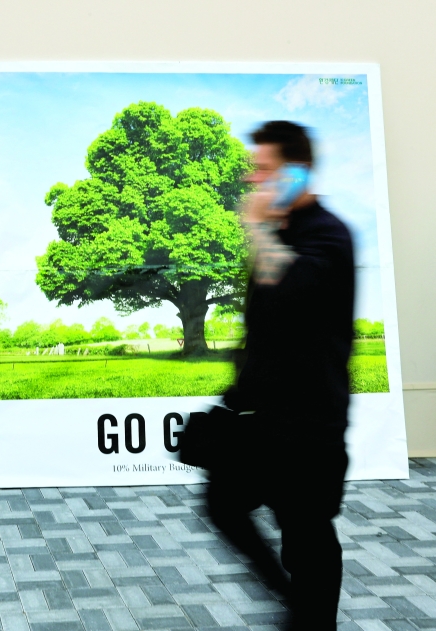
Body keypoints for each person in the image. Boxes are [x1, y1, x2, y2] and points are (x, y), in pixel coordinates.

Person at [206, 121, 354, 630]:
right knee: (224, 502)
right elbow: (266, 317)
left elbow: (290, 292)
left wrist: (257, 228)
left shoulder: (328, 236)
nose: (252, 180)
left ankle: (310, 619)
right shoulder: (283, 230)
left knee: (308, 539)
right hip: (265, 417)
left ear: (295, 173)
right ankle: (297, 608)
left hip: (311, 424)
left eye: (263, 169)